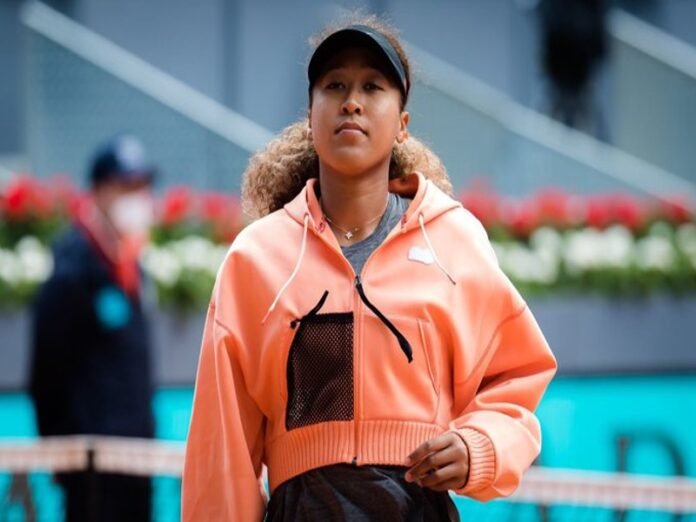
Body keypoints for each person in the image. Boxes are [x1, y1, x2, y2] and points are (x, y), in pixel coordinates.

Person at [182, 16, 557, 521]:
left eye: (372, 87)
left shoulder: (453, 239)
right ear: (310, 116)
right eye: (334, 85)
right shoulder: (256, 257)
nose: (351, 102)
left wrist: (480, 445)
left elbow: (515, 378)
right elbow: (221, 449)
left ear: (402, 122)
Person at [29, 134, 156, 522]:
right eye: (126, 186)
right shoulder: (72, 268)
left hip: (137, 458)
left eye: (142, 185)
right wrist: (62, 453)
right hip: (90, 467)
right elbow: (46, 372)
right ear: (99, 191)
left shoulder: (132, 264)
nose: (137, 196)